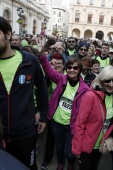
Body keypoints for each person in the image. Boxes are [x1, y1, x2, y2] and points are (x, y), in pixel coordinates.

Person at [0, 17, 49, 170]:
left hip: (25, 133)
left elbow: (42, 88)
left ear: (8, 34)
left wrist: (43, 115)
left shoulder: (29, 60)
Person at [39, 55, 89, 170]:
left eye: (75, 68)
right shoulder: (61, 79)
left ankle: (71, 163)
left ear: (79, 70)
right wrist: (42, 55)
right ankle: (61, 163)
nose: (72, 70)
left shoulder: (85, 89)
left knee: (70, 151)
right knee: (59, 147)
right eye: (69, 67)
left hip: (71, 126)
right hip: (56, 123)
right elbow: (49, 71)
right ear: (66, 68)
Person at [72, 65, 113, 170]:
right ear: (101, 80)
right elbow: (80, 124)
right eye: (107, 81)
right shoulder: (90, 96)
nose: (111, 84)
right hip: (85, 146)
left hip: (100, 145)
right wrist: (77, 149)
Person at [41, 53, 65, 170]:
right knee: (50, 138)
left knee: (64, 139)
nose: (57, 66)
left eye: (59, 63)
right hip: (52, 111)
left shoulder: (68, 76)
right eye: (54, 63)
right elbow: (43, 89)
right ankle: (47, 158)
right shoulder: (49, 76)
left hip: (65, 113)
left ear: (64, 65)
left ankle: (64, 160)